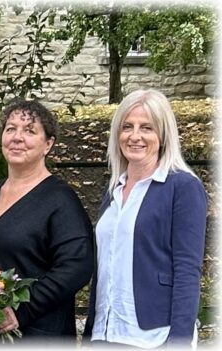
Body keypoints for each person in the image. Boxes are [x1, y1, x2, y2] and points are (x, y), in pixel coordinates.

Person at [0, 100, 95, 342]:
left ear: (48, 144)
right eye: (10, 128)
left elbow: (76, 267)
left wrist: (22, 309)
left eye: (29, 130)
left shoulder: (60, 200)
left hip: (36, 333)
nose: (17, 137)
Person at [85, 90, 207, 348]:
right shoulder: (114, 191)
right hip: (104, 333)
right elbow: (104, 265)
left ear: (162, 135)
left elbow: (187, 270)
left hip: (152, 337)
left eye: (147, 128)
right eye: (127, 126)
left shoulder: (182, 187)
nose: (135, 136)